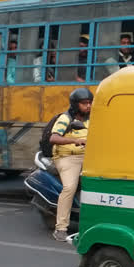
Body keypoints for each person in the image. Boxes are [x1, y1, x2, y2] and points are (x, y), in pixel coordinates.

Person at [49, 87, 92, 242]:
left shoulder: (91, 118)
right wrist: (75, 140)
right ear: (75, 104)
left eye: (89, 103)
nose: (88, 106)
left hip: (88, 156)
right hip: (67, 157)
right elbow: (53, 138)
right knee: (69, 188)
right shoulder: (65, 118)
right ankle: (60, 228)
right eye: (84, 103)